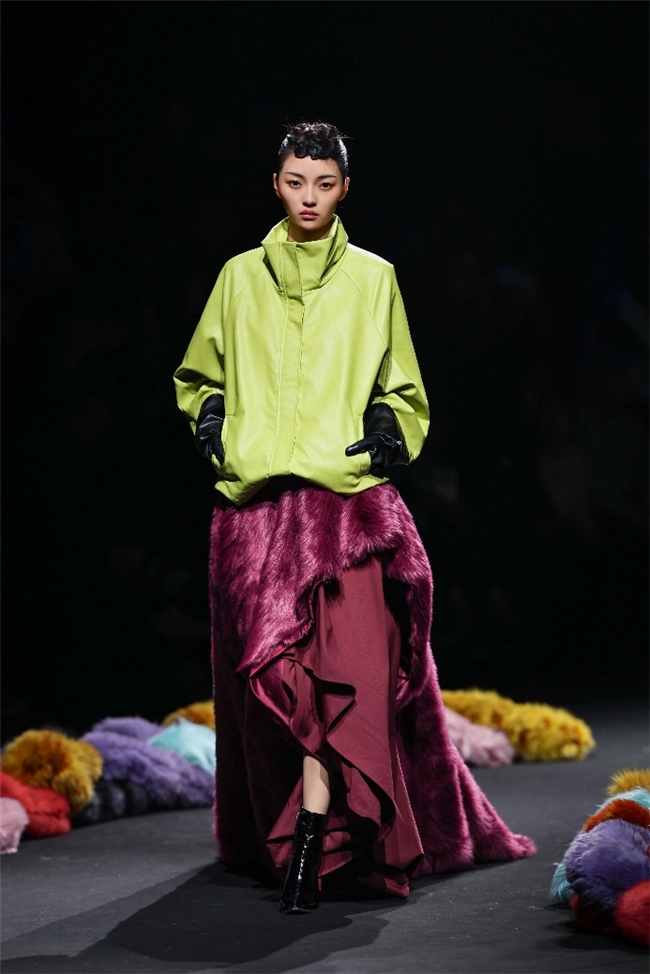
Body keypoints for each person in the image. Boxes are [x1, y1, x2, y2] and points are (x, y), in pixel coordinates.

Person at [173, 121, 535, 914]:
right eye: (295, 182)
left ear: (344, 188)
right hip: (260, 515)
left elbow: (404, 387)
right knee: (284, 686)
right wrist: (211, 418)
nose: (309, 197)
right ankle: (307, 838)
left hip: (346, 511)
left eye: (324, 183)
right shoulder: (239, 278)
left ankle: (311, 839)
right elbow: (199, 374)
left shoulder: (375, 278)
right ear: (276, 184)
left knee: (351, 680)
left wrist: (388, 430)